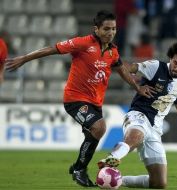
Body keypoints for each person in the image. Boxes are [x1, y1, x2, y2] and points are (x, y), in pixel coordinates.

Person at [5, 10, 154, 187]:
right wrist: (24, 58)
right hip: (74, 100)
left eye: (113, 29)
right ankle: (79, 170)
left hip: (95, 102)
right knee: (99, 128)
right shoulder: (82, 43)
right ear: (96, 29)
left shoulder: (112, 51)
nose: (111, 33)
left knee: (93, 135)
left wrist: (137, 87)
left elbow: (121, 69)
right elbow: (52, 49)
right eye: (106, 29)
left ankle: (77, 166)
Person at [97, 40, 177, 189]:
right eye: (175, 63)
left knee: (159, 183)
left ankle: (118, 181)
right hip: (138, 115)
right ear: (171, 58)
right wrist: (121, 68)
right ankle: (112, 158)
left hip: (155, 130)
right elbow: (131, 68)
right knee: (136, 136)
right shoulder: (155, 67)